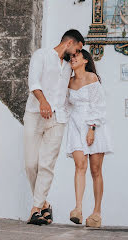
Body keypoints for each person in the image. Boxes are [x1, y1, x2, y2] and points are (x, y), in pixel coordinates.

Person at [24, 29, 85, 225]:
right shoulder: (41, 55)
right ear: (69, 43)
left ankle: (35, 209)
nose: (76, 54)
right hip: (35, 114)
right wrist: (43, 101)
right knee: (31, 164)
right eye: (77, 49)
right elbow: (33, 82)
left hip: (58, 120)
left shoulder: (69, 67)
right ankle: (44, 205)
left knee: (46, 165)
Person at [65, 49, 113, 228]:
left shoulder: (92, 78)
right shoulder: (68, 82)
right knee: (80, 165)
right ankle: (77, 208)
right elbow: (66, 105)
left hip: (94, 125)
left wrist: (92, 128)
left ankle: (96, 213)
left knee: (95, 170)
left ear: (85, 60)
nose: (72, 58)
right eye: (71, 56)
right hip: (75, 125)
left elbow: (99, 105)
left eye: (76, 56)